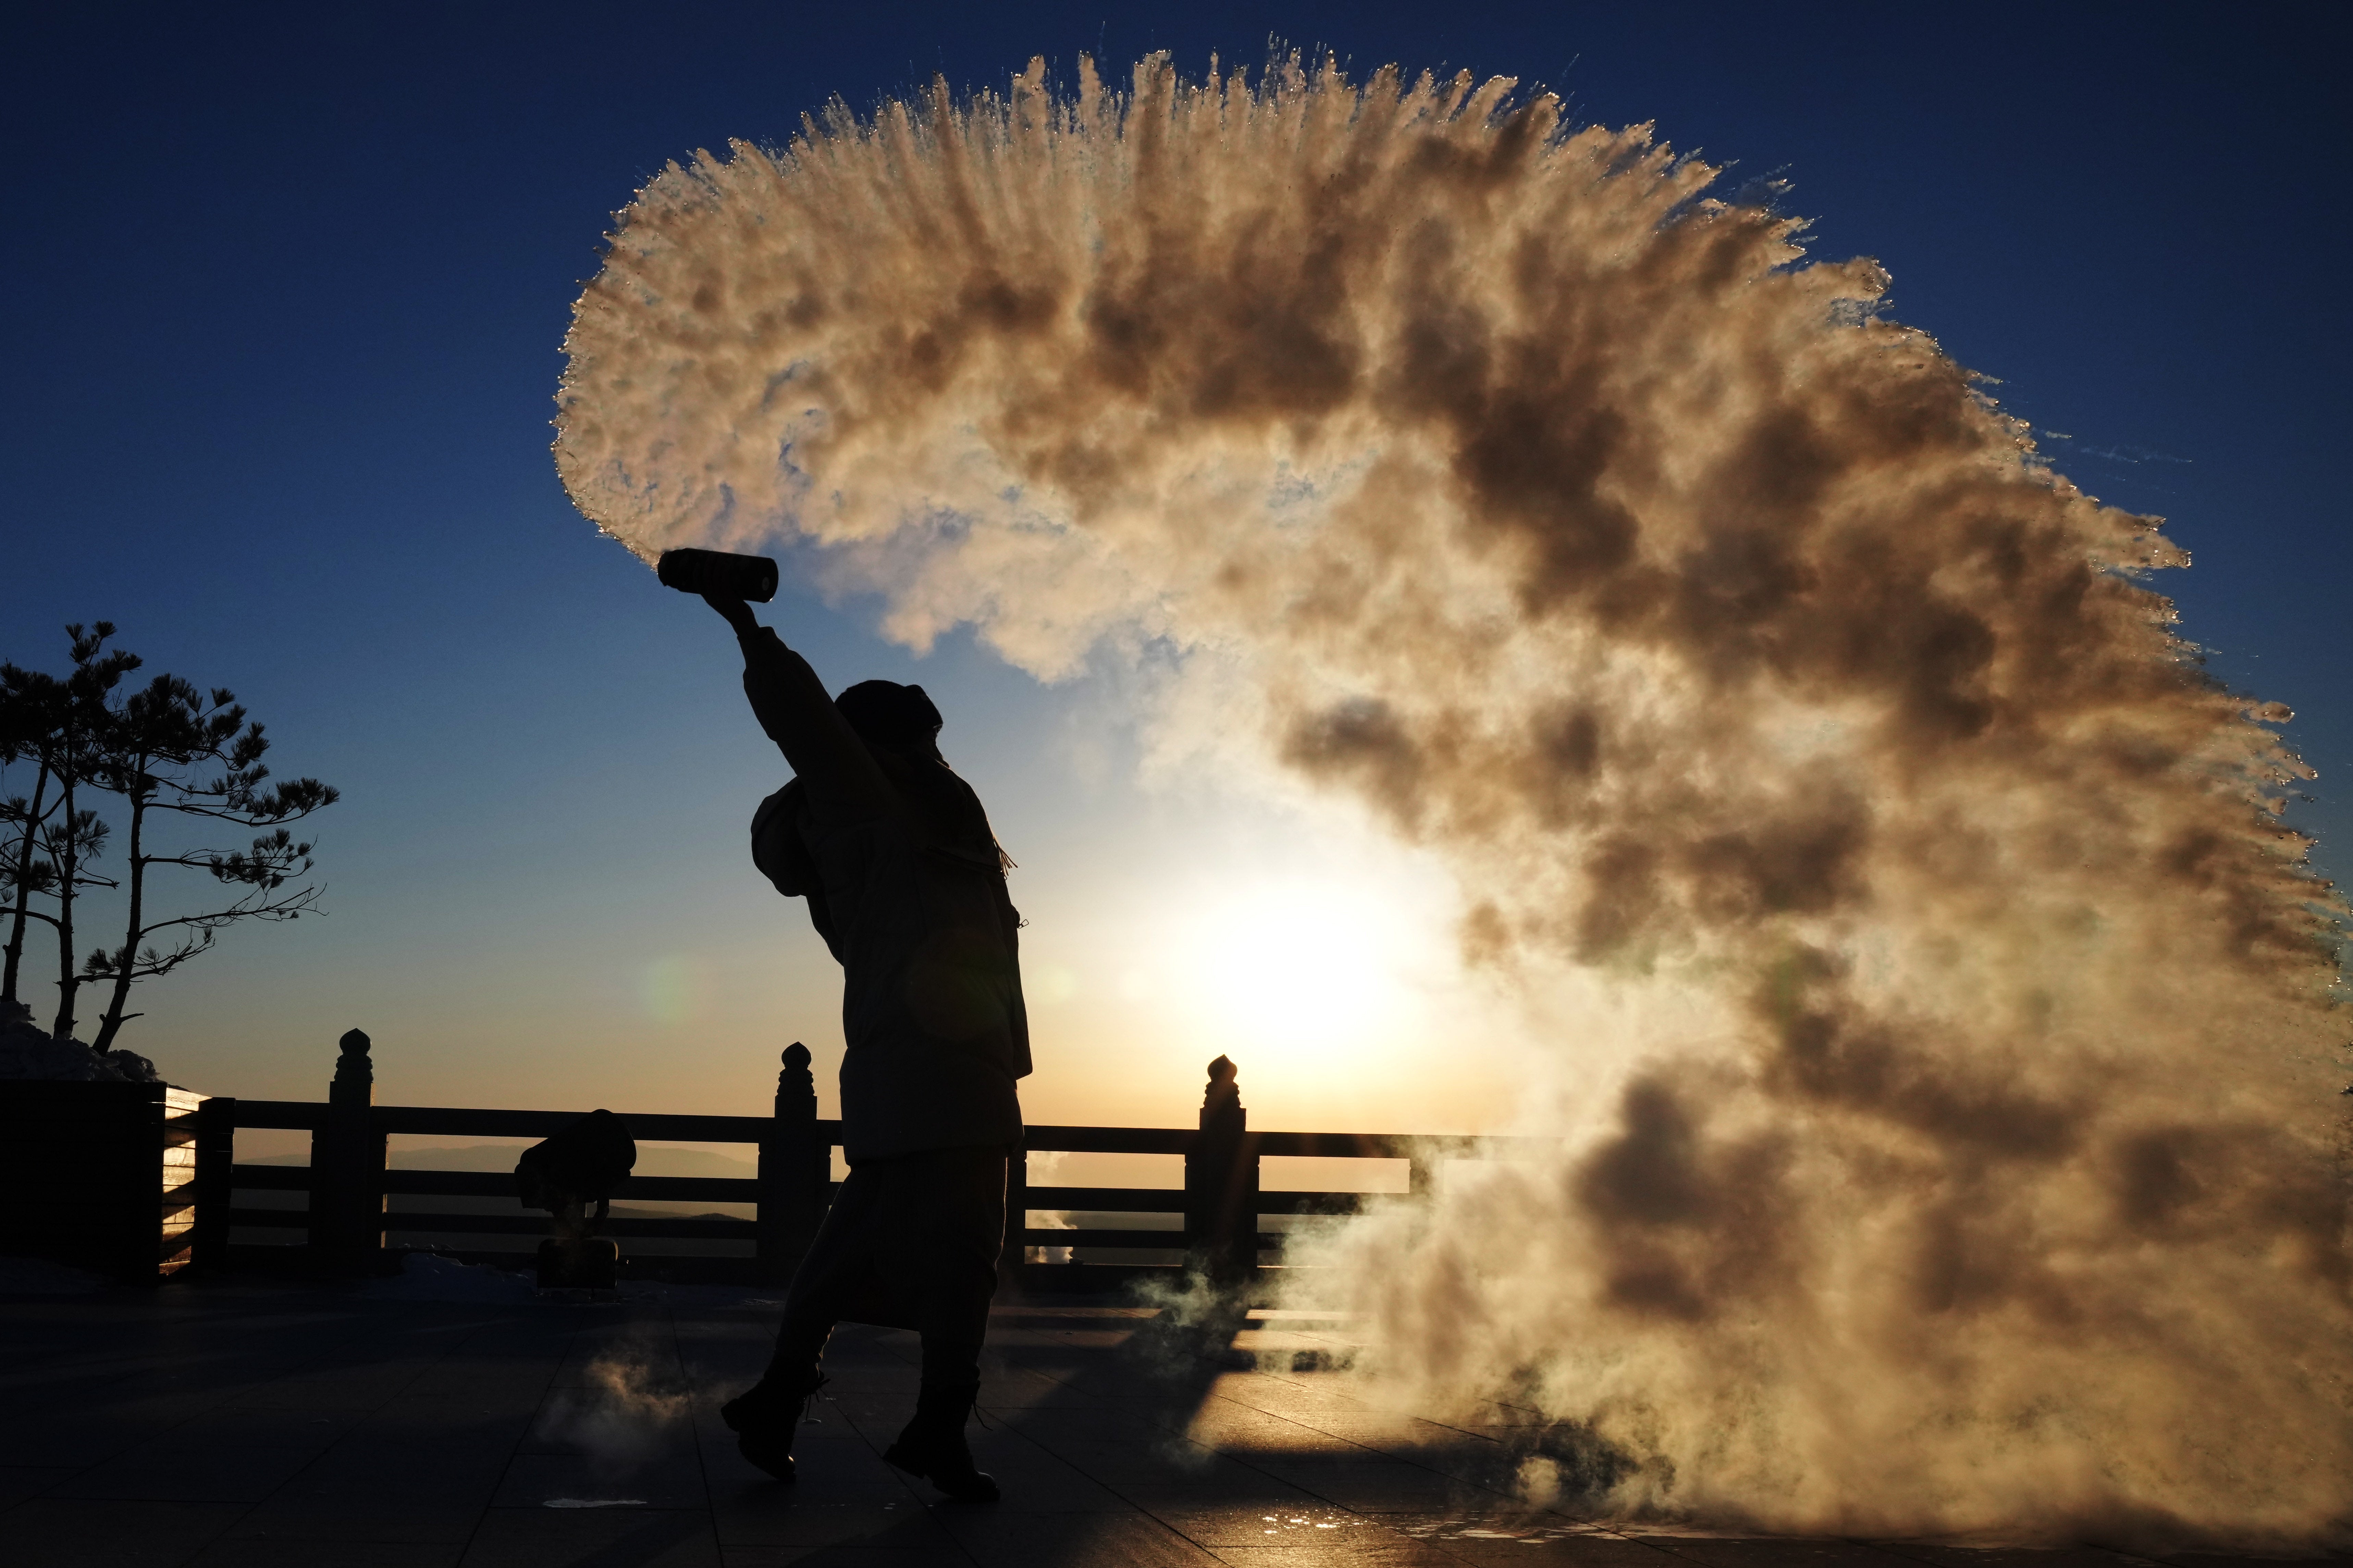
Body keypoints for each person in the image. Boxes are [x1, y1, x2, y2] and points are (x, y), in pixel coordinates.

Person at [701, 592, 1029, 1504]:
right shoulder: (869, 816)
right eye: (919, 739)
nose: (936, 755)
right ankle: (938, 1429)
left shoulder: (927, 825)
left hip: (933, 1074)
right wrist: (747, 629)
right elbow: (807, 723)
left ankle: (775, 1399)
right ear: (884, 747)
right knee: (966, 1257)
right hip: (935, 1075)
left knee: (851, 1249)